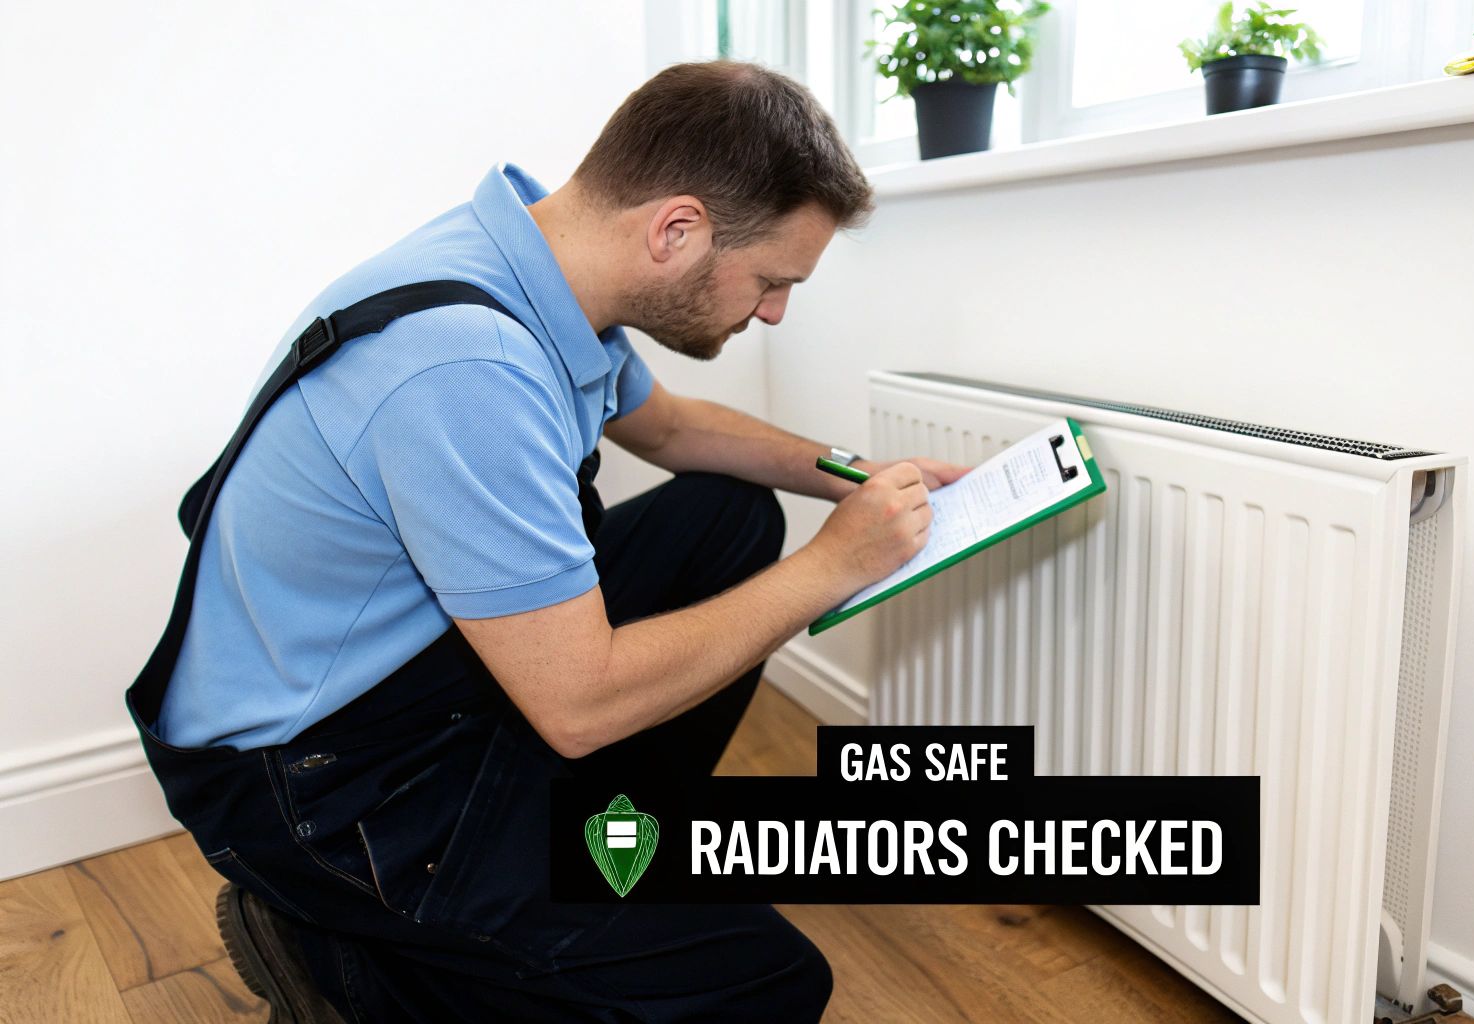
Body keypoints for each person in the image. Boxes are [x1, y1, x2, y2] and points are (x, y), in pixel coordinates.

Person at [125, 60, 967, 1023]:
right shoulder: (465, 367)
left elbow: (676, 431)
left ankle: (577, 861)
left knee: (727, 515)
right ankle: (347, 959)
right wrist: (837, 566)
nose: (774, 310)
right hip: (323, 786)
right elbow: (577, 703)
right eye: (772, 280)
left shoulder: (533, 257)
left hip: (414, 679)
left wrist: (855, 477)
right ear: (676, 230)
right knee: (767, 984)